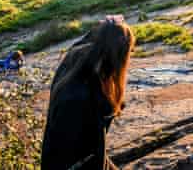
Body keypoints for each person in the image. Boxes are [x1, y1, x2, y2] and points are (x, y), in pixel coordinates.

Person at [42, 17, 135, 170]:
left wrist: (109, 26)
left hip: (68, 159)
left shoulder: (73, 62)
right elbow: (77, 156)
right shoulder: (85, 97)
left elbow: (81, 43)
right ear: (119, 56)